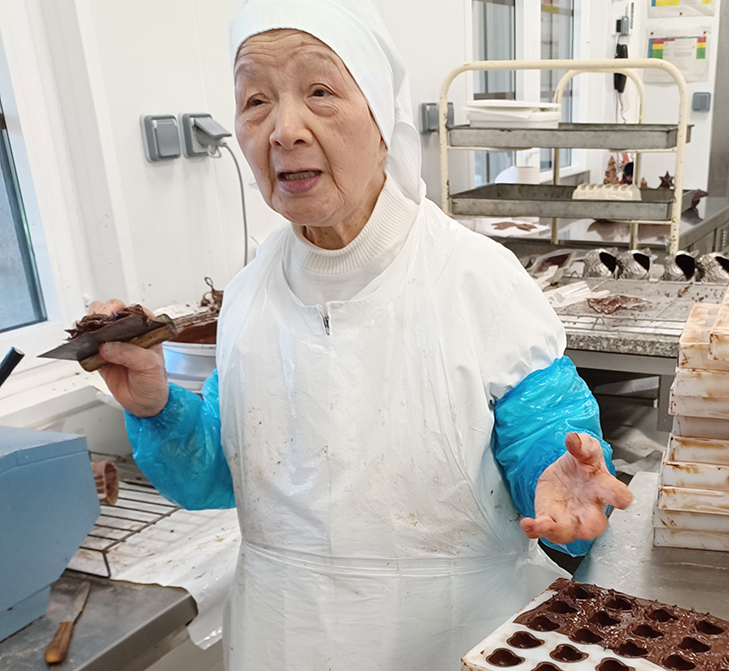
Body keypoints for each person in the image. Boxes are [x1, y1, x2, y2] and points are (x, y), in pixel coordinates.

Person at [89, 0, 632, 668]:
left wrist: (558, 474)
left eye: (320, 92)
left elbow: (544, 438)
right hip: (281, 640)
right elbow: (221, 472)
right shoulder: (253, 293)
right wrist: (154, 403)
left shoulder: (472, 277)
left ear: (381, 118)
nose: (285, 129)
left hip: (450, 641)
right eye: (256, 101)